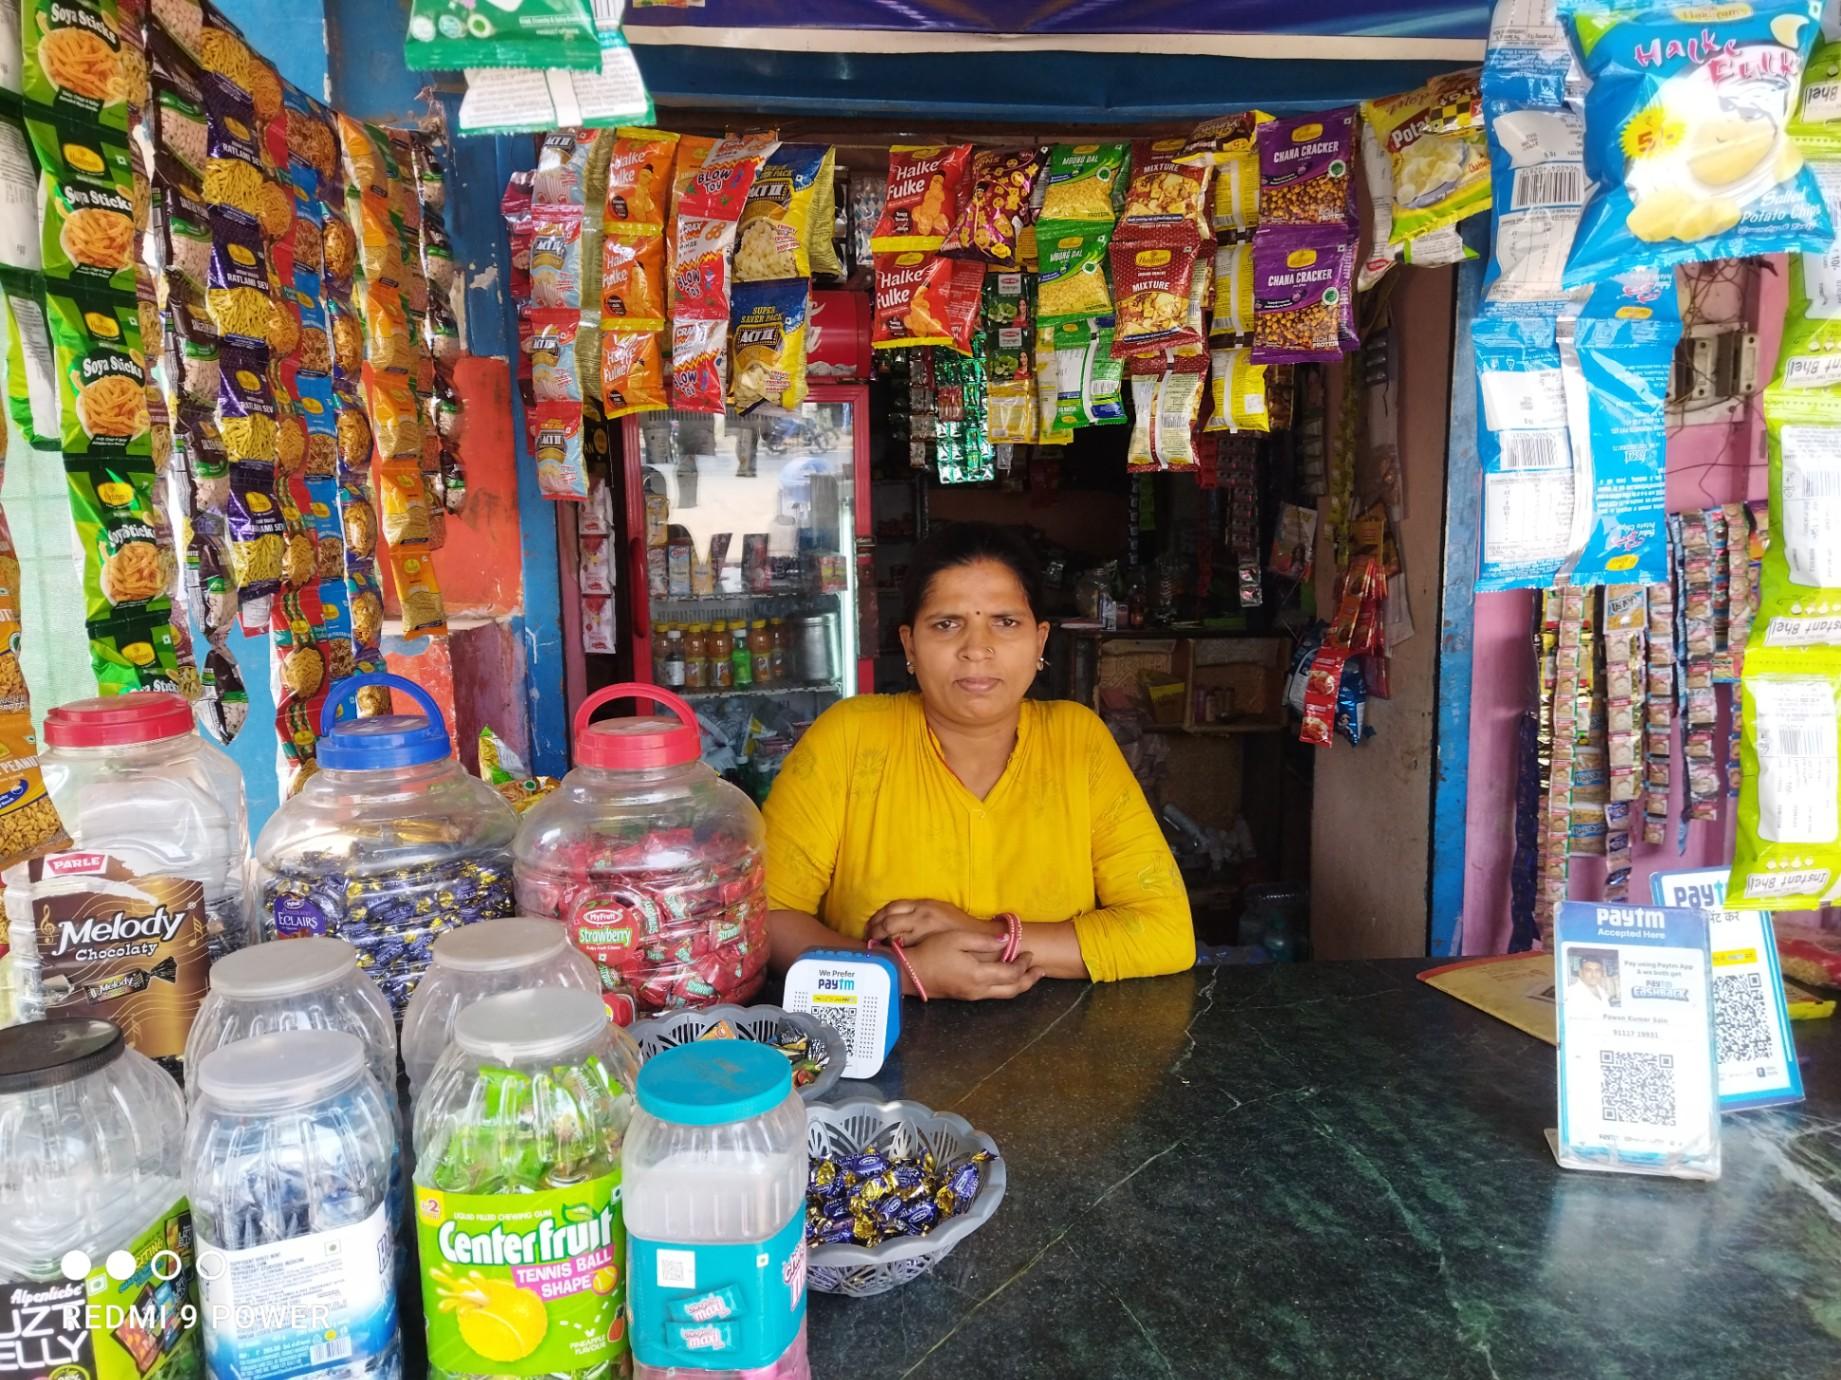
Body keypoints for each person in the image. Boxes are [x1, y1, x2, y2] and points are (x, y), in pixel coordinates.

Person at [764, 522, 1195, 1000]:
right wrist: (904, 972)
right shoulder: (848, 740)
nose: (976, 649)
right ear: (910, 645)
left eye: (1005, 622)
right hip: (880, 1037)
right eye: (947, 624)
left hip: (1057, 1041)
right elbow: (766, 918)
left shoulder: (1078, 742)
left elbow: (1166, 933)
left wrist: (988, 934)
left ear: (1040, 642)